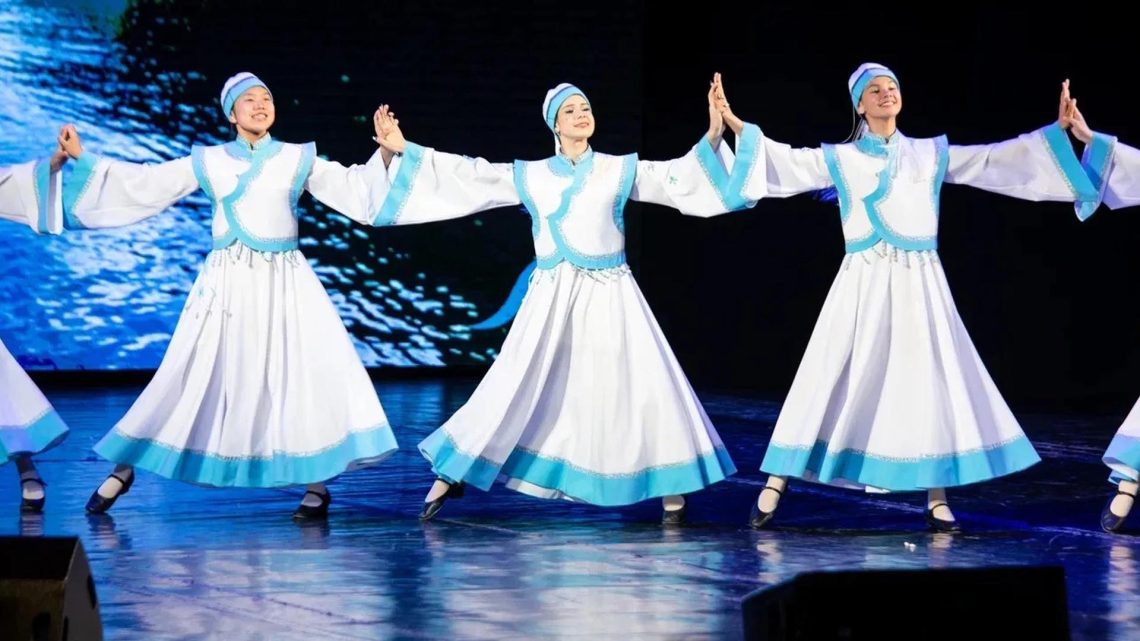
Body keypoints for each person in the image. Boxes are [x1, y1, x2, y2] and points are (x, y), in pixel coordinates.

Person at [716, 63, 1097, 531]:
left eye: (892, 87)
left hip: (919, 285)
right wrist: (736, 125)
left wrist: (1054, 134)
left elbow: (991, 161)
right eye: (874, 90)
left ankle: (936, 496)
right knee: (828, 374)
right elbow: (785, 162)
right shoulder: (842, 158)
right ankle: (777, 481)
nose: (885, 94)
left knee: (927, 382)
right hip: (862, 280)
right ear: (859, 105)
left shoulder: (928, 154)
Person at [62, 72, 399, 520]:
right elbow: (148, 183)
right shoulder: (209, 160)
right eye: (249, 100)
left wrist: (386, 152)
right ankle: (125, 468)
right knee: (189, 373)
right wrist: (85, 160)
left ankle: (316, 486)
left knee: (300, 375)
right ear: (231, 114)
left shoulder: (297, 158)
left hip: (285, 285)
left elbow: (354, 187)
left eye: (266, 98)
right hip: (227, 285)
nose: (260, 105)